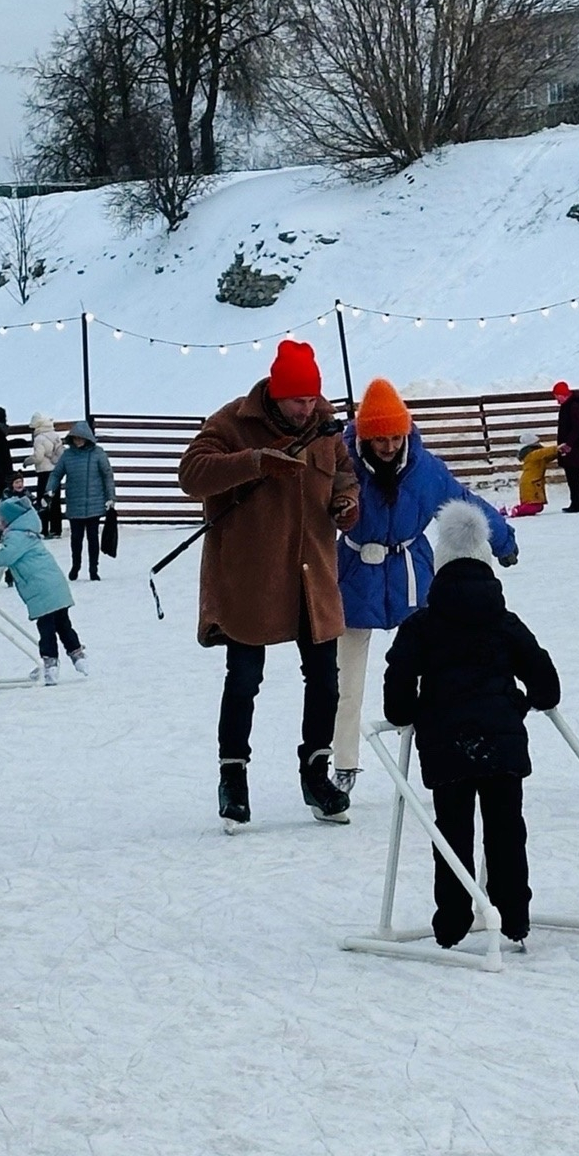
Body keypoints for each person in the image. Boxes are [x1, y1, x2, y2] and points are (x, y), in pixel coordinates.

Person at [177, 338, 360, 830]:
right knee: (243, 680)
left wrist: (345, 502)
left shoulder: (324, 425)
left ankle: (315, 773)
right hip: (250, 578)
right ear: (276, 394)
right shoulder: (231, 423)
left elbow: (344, 474)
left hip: (312, 575)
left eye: (312, 398)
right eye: (299, 399)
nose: (309, 407)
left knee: (325, 680)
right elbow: (191, 475)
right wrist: (254, 461)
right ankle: (233, 778)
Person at [383, 501, 560, 951]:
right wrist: (524, 701)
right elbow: (545, 680)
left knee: (452, 830)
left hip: (446, 744)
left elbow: (398, 683)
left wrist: (406, 712)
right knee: (506, 828)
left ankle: (453, 917)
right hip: (501, 742)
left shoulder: (420, 626)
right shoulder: (504, 622)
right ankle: (514, 914)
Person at [333, 377, 517, 793]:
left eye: (396, 436)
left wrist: (501, 538)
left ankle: (440, 753)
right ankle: (342, 766)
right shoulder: (341, 464)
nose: (388, 446)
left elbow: (464, 503)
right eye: (379, 438)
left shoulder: (425, 469)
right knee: (346, 683)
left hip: (410, 577)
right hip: (353, 576)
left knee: (431, 672)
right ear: (364, 435)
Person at [0, 490, 86, 684]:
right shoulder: (27, 533)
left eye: (1, 519)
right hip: (55, 586)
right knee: (63, 624)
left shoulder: (17, 536)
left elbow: (6, 557)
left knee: (47, 629)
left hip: (41, 590)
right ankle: (78, 657)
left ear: (10, 520)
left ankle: (50, 666)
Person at [47, 419, 115, 581]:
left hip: (95, 504)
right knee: (76, 539)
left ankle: (93, 569)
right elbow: (56, 474)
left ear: (87, 438)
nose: (78, 441)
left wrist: (111, 497)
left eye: (81, 438)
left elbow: (107, 476)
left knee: (93, 539)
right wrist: (50, 490)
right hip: (75, 504)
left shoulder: (98, 453)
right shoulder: (67, 455)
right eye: (75, 438)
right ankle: (75, 566)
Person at [552, 381, 579, 512]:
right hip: (570, 446)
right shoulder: (568, 405)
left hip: (572, 447)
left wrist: (568, 444)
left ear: (563, 394)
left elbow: (576, 427)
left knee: (573, 476)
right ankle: (576, 503)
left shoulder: (573, 405)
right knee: (572, 476)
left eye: (557, 395)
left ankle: (578, 504)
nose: (556, 398)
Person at [28, 412, 65, 537]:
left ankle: (43, 529)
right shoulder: (55, 435)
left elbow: (38, 457)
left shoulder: (39, 438)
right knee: (55, 501)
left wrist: (28, 461)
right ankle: (56, 529)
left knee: (42, 500)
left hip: (43, 472)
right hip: (55, 471)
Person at [508, 431, 558, 518]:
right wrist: (557, 448)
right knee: (535, 506)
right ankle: (516, 510)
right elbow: (544, 452)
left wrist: (558, 453)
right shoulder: (532, 455)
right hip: (531, 483)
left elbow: (547, 457)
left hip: (531, 482)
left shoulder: (535, 456)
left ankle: (513, 509)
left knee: (537, 506)